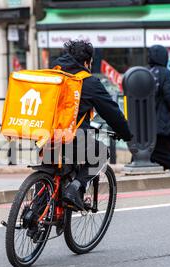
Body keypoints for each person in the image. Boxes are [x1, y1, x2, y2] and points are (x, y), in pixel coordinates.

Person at [51, 40, 133, 210]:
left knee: (50, 168)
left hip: (44, 138)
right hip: (71, 139)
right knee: (101, 153)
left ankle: (36, 213)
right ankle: (75, 188)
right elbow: (112, 113)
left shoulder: (53, 76)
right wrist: (126, 134)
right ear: (87, 62)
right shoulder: (87, 82)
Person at [148, 45, 170, 170]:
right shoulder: (165, 73)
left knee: (151, 148)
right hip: (163, 120)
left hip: (148, 121)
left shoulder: (147, 72)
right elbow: (168, 96)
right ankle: (167, 167)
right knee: (166, 148)